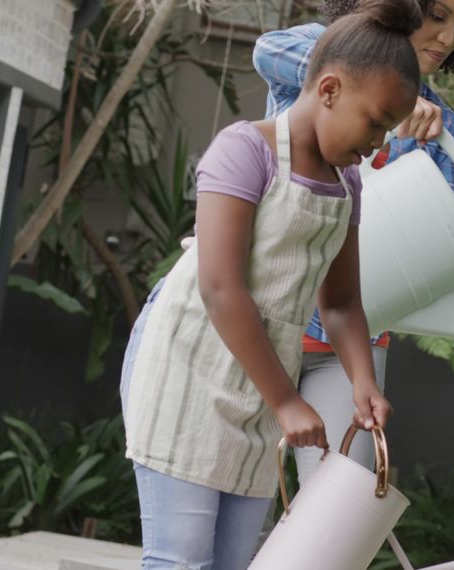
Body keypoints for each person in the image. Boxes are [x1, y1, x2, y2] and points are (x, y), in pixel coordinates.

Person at [119, 0, 425, 567]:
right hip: (188, 374)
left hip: (258, 394)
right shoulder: (245, 150)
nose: (380, 141)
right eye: (377, 122)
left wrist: (363, 381)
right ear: (329, 89)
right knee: (182, 560)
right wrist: (286, 401)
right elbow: (220, 287)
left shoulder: (348, 182)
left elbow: (340, 304)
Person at [253, 0, 454, 484]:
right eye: (438, 16)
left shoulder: (443, 128)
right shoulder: (318, 49)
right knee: (234, 497)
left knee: (334, 510)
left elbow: (433, 243)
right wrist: (377, 83)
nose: (449, 37)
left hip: (352, 343)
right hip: (264, 322)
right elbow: (268, 49)